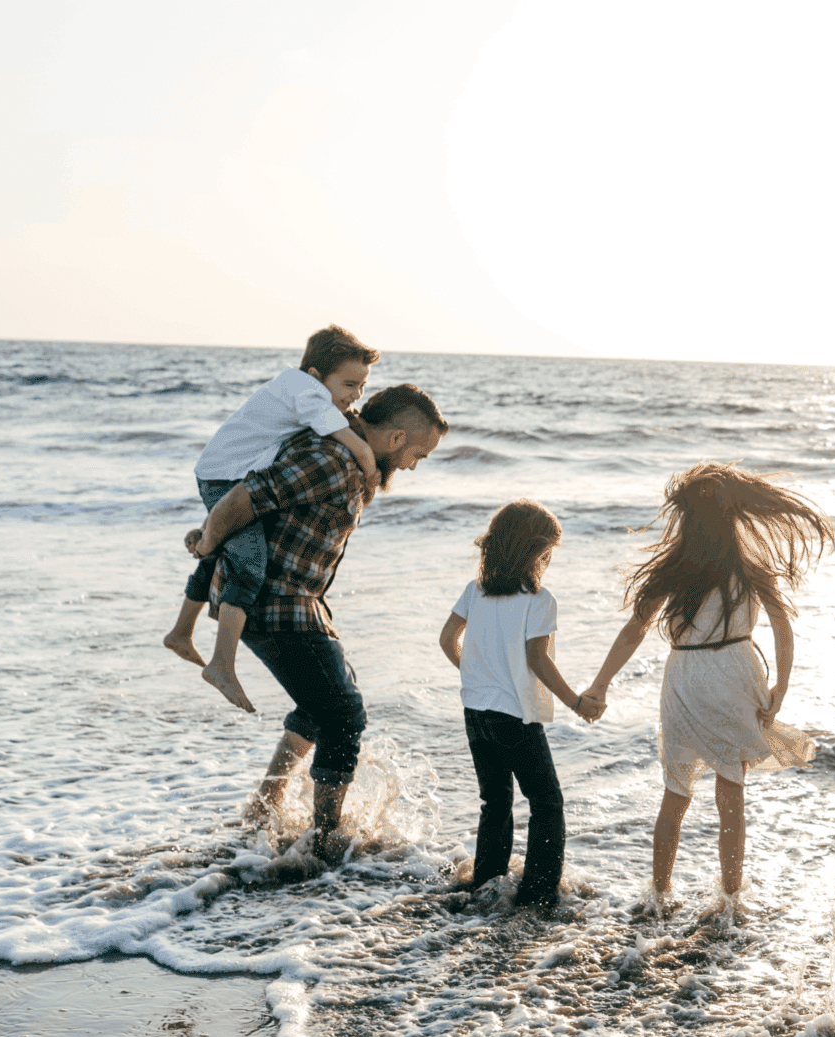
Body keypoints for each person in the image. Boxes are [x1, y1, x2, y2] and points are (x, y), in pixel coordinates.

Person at [186, 382, 448, 876]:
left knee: (325, 701)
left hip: (300, 600)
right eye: (419, 453)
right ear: (394, 438)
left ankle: (265, 804)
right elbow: (245, 498)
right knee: (344, 716)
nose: (416, 464)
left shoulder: (350, 457)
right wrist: (208, 544)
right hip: (274, 603)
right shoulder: (334, 460)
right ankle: (326, 838)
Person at [580, 464, 831, 907]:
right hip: (735, 670)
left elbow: (634, 631)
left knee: (676, 793)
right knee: (730, 792)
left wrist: (600, 686)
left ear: (686, 519)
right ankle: (731, 898)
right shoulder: (752, 567)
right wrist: (783, 687)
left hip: (685, 677)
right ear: (732, 517)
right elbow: (782, 627)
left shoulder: (674, 569)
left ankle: (659, 894)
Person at [164, 324, 383, 713]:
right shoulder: (305, 391)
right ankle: (221, 664)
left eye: (362, 387)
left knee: (220, 553)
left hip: (226, 472)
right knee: (249, 565)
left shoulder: (297, 390)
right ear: (316, 375)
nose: (355, 397)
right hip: (225, 479)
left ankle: (181, 632)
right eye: (349, 385)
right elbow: (345, 438)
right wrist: (367, 462)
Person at [437, 500, 601, 908]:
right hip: (514, 717)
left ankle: (486, 884)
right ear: (535, 552)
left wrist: (476, 674)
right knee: (547, 802)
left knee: (496, 801)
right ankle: (539, 891)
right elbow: (537, 659)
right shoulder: (538, 600)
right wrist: (576, 702)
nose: (548, 561)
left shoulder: (475, 591)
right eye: (547, 553)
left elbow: (446, 640)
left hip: (475, 711)